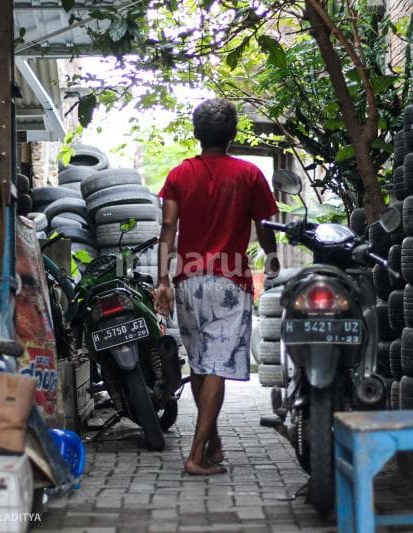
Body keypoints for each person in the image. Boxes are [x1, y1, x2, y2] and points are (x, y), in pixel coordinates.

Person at [156, 98, 280, 475]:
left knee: (200, 364)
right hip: (228, 282)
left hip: (188, 282)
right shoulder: (248, 175)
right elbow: (267, 227)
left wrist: (162, 279)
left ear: (197, 134)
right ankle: (196, 456)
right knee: (216, 366)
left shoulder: (179, 175)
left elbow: (167, 229)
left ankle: (212, 443)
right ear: (232, 135)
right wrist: (272, 266)